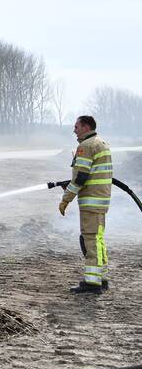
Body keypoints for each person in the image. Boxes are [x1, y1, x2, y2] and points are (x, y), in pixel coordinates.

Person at [59, 115, 113, 295]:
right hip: (100, 200)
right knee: (97, 239)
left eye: (76, 126)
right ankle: (102, 279)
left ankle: (92, 283)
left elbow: (81, 177)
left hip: (91, 202)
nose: (74, 130)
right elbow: (91, 174)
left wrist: (66, 198)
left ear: (85, 127)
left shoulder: (86, 146)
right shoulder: (102, 144)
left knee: (90, 240)